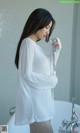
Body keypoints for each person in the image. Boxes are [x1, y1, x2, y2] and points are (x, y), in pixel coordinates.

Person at [14, 8, 62, 133]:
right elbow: (26, 75)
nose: (48, 32)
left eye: (50, 28)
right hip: (35, 106)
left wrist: (55, 51)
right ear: (37, 22)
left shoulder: (36, 47)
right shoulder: (27, 43)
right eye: (47, 27)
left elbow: (49, 69)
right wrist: (52, 81)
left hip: (43, 104)